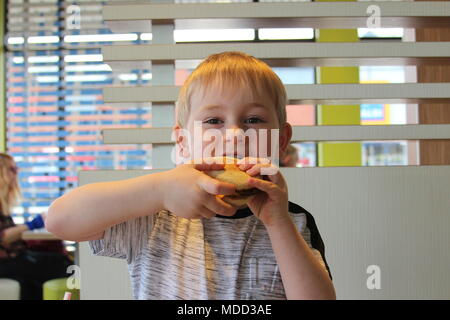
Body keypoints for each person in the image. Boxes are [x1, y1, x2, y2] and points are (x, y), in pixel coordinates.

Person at [46, 51, 335, 300]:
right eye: (213, 121)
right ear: (183, 141)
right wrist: (160, 190)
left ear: (281, 140)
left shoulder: (292, 221)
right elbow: (60, 220)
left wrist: (279, 222)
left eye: (253, 120)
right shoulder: (155, 216)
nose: (234, 135)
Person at [0, 153, 72, 300]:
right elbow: (3, 238)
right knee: (64, 264)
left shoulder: (3, 204)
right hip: (5, 262)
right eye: (12, 169)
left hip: (12, 259)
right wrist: (33, 224)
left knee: (34, 282)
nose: (16, 173)